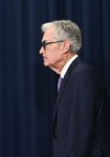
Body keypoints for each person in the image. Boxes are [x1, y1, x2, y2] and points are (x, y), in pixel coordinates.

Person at [39, 20, 110, 157]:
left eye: (45, 44)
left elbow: (79, 140)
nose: (41, 50)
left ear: (65, 46)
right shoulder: (71, 77)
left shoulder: (81, 76)